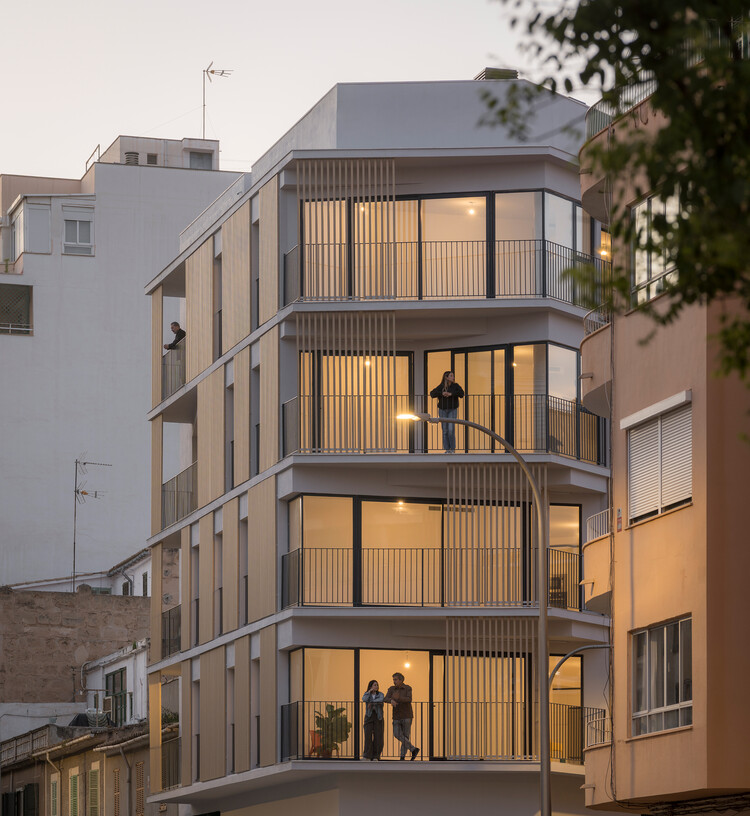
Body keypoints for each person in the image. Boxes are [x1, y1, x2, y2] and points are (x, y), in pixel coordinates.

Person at [384, 672, 419, 760]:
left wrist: (398, 698)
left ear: (401, 680)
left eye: (395, 679)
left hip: (407, 715)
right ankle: (413, 749)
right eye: (393, 679)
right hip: (396, 716)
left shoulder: (407, 688)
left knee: (406, 736)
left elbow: (409, 699)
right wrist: (391, 700)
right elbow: (385, 698)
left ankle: (402, 757)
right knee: (397, 734)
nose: (394, 681)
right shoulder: (391, 689)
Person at [429, 371, 464, 452]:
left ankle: (452, 449)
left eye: (453, 376)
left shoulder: (455, 386)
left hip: (452, 409)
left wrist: (451, 394)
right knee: (445, 430)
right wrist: (442, 393)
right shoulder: (441, 386)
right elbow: (432, 393)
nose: (453, 377)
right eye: (451, 376)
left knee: (451, 430)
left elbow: (461, 394)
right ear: (446, 377)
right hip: (442, 410)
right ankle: (447, 449)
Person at [361, 679, 385, 760]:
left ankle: (376, 756)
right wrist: (369, 692)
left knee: (378, 736)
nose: (376, 686)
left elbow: (381, 699)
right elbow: (364, 699)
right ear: (371, 686)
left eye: (377, 685)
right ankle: (367, 755)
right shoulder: (367, 694)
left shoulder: (380, 694)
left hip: (378, 717)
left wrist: (371, 702)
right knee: (367, 736)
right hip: (369, 716)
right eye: (374, 685)